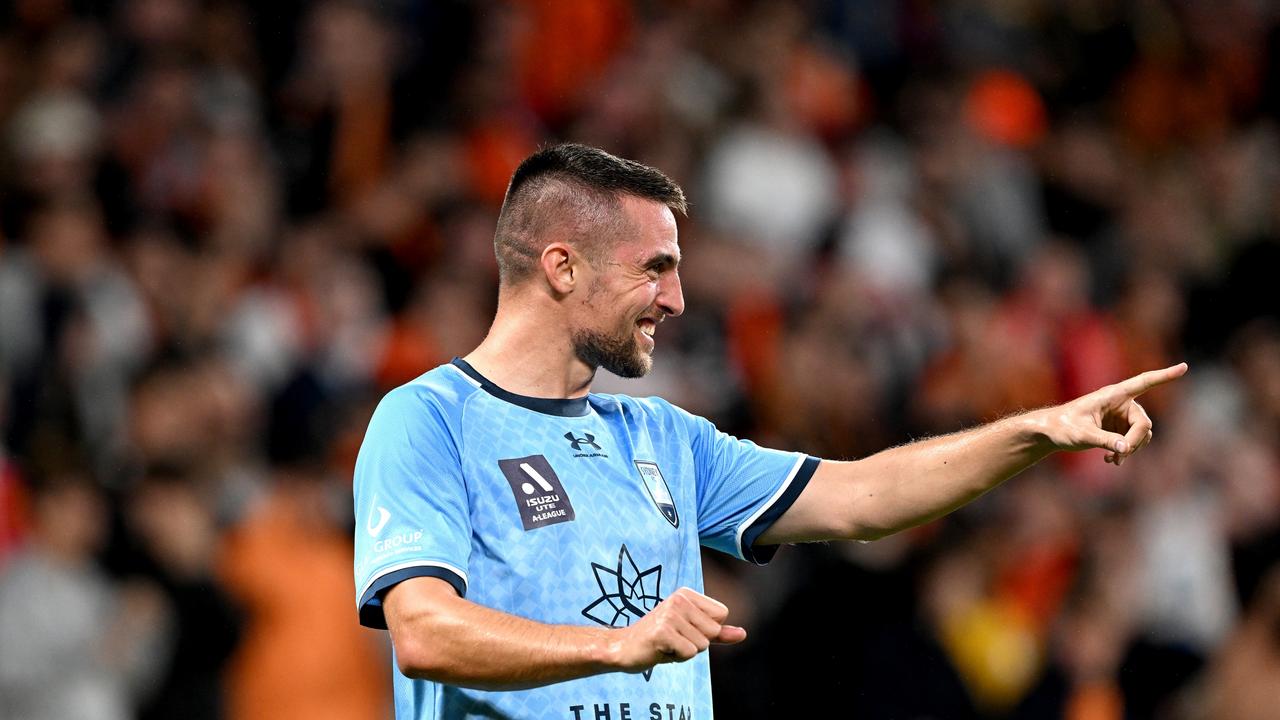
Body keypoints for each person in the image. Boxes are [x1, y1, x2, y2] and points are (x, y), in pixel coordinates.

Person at [352, 143, 1186, 719]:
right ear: (562, 267)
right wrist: (616, 646)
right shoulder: (428, 420)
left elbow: (861, 498)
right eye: (655, 269)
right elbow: (423, 630)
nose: (676, 301)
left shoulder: (666, 438)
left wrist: (1037, 431)